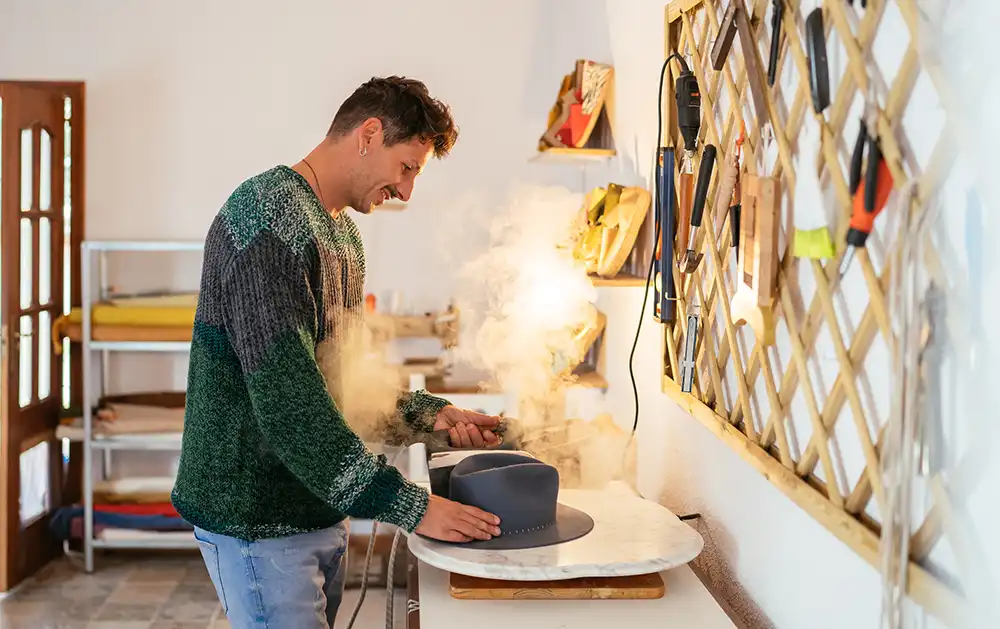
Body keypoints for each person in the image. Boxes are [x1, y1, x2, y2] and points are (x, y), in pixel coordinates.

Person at [171, 76, 502, 629]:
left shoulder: (341, 237)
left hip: (313, 508)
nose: (407, 191)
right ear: (369, 134)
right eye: (408, 167)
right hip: (257, 516)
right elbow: (291, 406)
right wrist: (413, 508)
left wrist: (429, 415)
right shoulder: (267, 223)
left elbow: (342, 382)